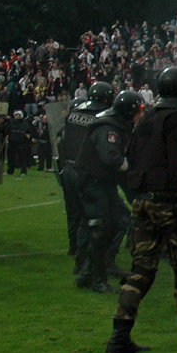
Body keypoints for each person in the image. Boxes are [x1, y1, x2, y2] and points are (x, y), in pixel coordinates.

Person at [106, 66, 177, 353]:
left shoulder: (148, 116)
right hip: (169, 202)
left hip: (142, 199)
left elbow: (131, 158)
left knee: (141, 269)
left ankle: (120, 335)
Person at [74, 91, 144, 293]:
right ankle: (96, 278)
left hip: (103, 183)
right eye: (139, 109)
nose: (141, 114)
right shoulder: (108, 127)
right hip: (94, 184)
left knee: (120, 220)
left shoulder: (115, 124)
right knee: (102, 229)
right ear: (129, 110)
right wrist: (132, 167)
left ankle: (92, 270)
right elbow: (110, 157)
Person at [59, 82, 114, 265]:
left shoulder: (73, 115)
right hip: (86, 171)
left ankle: (73, 246)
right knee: (88, 214)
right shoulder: (102, 117)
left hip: (68, 167)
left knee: (72, 210)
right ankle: (88, 253)